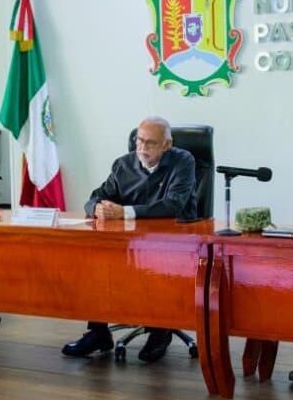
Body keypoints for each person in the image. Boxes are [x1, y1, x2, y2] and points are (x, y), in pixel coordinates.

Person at [62, 116, 197, 363]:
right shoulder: (123, 165)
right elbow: (95, 197)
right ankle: (98, 333)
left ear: (167, 145)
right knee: (96, 263)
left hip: (173, 243)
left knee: (157, 268)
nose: (142, 148)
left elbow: (173, 205)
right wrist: (97, 209)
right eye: (139, 141)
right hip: (130, 243)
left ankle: (161, 330)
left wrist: (124, 212)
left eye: (150, 143)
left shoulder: (183, 161)